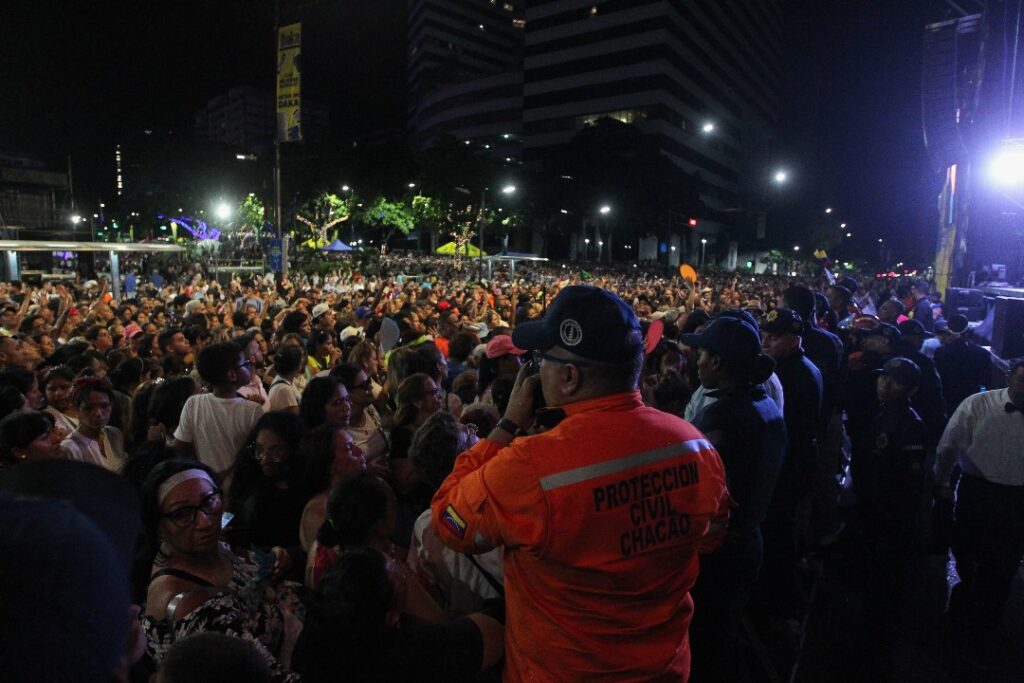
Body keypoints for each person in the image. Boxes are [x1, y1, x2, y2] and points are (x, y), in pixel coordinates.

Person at [432, 285, 730, 681]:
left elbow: (450, 521)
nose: (535, 370)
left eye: (541, 360)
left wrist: (506, 427)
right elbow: (711, 536)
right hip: (665, 669)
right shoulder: (695, 445)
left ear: (569, 377)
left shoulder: (529, 466)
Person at [681, 316, 786, 680]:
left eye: (702, 353)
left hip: (721, 551)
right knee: (722, 633)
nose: (696, 361)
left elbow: (691, 488)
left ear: (718, 362)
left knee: (705, 644)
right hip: (748, 539)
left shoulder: (723, 414)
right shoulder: (764, 403)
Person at [138, 459, 303, 682]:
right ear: (159, 527)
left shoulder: (213, 549)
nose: (205, 522)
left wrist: (270, 565)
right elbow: (265, 677)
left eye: (209, 500)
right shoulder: (192, 606)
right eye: (182, 514)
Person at [292, 548, 504, 683]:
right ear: (391, 617)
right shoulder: (408, 654)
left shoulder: (311, 644)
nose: (402, 567)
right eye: (398, 572)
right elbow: (491, 633)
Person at [934, 358, 1024, 632]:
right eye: (1022, 379)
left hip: (1018, 498)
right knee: (967, 550)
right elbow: (948, 446)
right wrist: (942, 482)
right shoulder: (978, 404)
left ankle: (990, 617)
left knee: (1005, 561)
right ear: (1008, 378)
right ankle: (961, 607)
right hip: (979, 491)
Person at [850, 356, 927, 664]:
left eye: (894, 381)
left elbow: (907, 486)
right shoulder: (882, 414)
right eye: (882, 378)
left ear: (910, 389)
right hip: (871, 510)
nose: (884, 384)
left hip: (889, 518)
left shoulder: (910, 426)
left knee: (884, 586)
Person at [407, 410, 503, 617]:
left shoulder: (424, 527)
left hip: (470, 625)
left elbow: (428, 590)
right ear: (464, 459)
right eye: (470, 432)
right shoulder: (498, 498)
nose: (478, 435)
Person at [173, 342, 263, 483]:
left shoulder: (193, 403)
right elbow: (255, 453)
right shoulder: (252, 410)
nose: (248, 365)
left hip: (207, 483)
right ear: (232, 375)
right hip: (242, 485)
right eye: (244, 364)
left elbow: (180, 447)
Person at [228, 412, 308, 563]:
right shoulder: (248, 481)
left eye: (276, 450)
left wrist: (288, 555)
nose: (265, 458)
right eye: (259, 449)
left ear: (293, 450)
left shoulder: (304, 489)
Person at [297, 424, 367, 552]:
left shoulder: (352, 495)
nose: (359, 451)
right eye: (348, 449)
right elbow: (325, 567)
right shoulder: (320, 513)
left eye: (354, 444)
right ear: (327, 461)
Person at [933, 313, 992, 413]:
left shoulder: (940, 353)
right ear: (967, 331)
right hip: (970, 402)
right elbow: (986, 381)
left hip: (947, 401)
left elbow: (937, 379)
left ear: (948, 332)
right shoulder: (981, 353)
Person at [266, 346, 305, 414]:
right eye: (301, 360)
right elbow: (297, 417)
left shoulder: (285, 380)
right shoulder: (283, 389)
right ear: (297, 365)